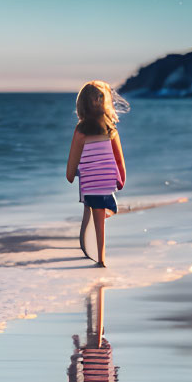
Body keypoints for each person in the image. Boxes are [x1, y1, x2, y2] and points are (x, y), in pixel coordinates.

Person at [66, 81, 128, 267]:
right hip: (106, 182)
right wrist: (121, 179)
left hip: (90, 183)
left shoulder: (80, 131)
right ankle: (100, 257)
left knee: (93, 206)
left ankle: (100, 258)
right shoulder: (111, 130)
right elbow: (119, 160)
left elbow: (73, 159)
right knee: (102, 213)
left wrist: (70, 175)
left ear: (81, 105)